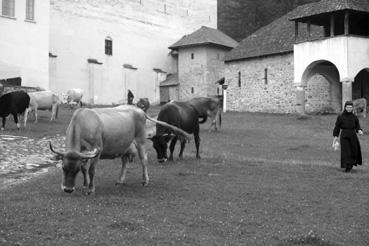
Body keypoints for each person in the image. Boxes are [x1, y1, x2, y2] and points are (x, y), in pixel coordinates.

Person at [333, 101, 364, 172]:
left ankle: (350, 165)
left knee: (354, 151)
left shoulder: (354, 117)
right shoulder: (340, 116)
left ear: (352, 108)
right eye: (348, 107)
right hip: (344, 135)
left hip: (353, 135)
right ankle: (347, 167)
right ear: (345, 107)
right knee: (346, 152)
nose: (349, 109)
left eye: (350, 107)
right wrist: (335, 137)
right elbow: (337, 127)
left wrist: (359, 130)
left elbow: (357, 126)